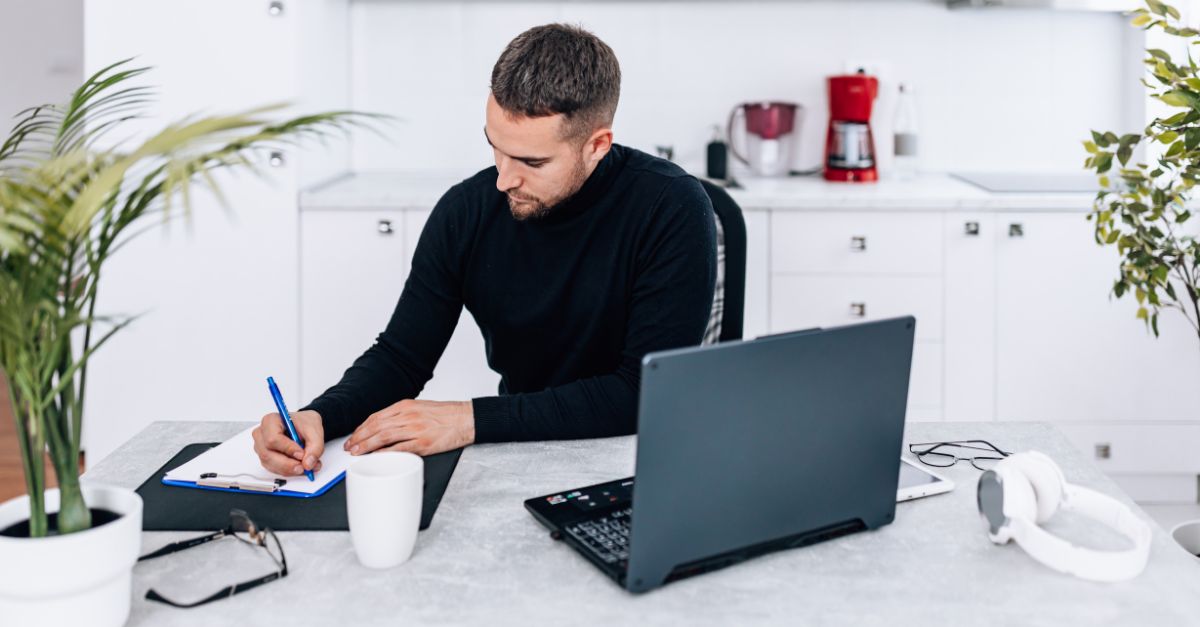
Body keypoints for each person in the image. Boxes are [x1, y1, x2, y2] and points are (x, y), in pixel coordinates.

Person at [252, 23, 717, 476]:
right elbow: (401, 356)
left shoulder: (670, 206)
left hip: (642, 458)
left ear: (596, 146)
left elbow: (641, 391)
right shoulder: (466, 211)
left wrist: (468, 419)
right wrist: (320, 417)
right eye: (495, 147)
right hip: (523, 454)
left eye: (532, 162)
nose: (504, 179)